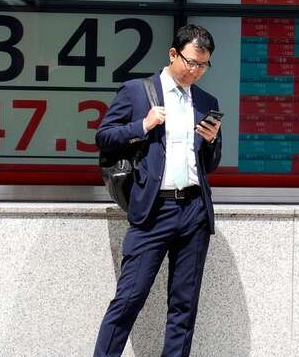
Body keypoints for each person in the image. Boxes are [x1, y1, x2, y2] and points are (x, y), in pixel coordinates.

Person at [93, 24, 222, 356]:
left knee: (184, 307)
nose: (196, 71)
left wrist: (211, 142)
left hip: (193, 210)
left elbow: (208, 164)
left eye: (203, 65)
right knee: (129, 299)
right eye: (191, 62)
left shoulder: (206, 101)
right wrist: (143, 125)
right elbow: (104, 137)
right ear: (173, 54)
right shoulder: (138, 92)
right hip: (154, 210)